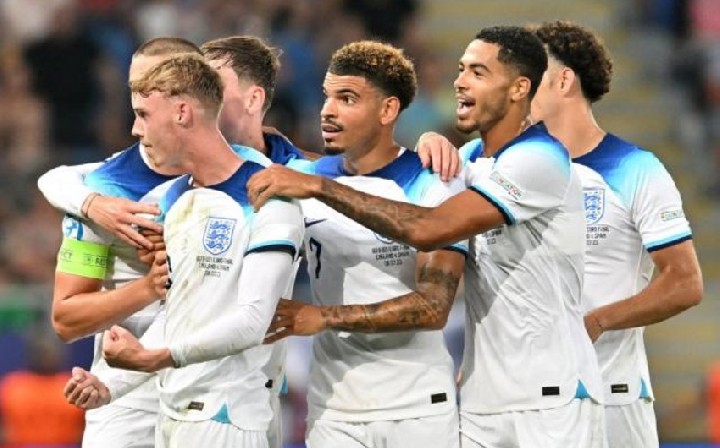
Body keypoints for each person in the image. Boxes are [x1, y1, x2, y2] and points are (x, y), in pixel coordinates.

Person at [248, 26, 606, 447]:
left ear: (518, 88)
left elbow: (429, 227)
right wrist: (429, 143)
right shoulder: (469, 161)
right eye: (461, 69)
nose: (460, 81)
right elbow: (376, 175)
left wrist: (318, 187)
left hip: (552, 393)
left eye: (478, 72)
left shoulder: (540, 158)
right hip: (482, 395)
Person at [67, 53, 304, 447]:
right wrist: (110, 385)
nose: (135, 129)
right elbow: (180, 315)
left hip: (227, 417)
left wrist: (155, 358)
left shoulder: (266, 197)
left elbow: (252, 320)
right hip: (172, 414)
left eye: (144, 115)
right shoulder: (174, 198)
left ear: (181, 112)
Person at [262, 40, 466, 448]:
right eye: (327, 96)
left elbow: (433, 307)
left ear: (388, 110)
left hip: (417, 408)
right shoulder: (302, 174)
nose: (327, 110)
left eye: (347, 98)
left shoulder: (434, 180)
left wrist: (323, 316)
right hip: (332, 409)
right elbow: (236, 136)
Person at [529, 20, 703, 447]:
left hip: (613, 397)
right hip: (530, 401)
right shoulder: (507, 170)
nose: (517, 86)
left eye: (530, 74)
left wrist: (597, 322)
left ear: (563, 81)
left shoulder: (636, 168)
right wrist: (430, 142)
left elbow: (684, 282)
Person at [45, 37, 202, 448]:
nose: (138, 105)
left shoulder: (242, 170)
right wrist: (147, 288)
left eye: (153, 85)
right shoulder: (108, 189)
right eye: (135, 89)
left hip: (217, 385)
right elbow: (66, 319)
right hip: (127, 398)